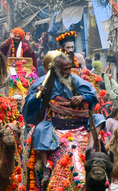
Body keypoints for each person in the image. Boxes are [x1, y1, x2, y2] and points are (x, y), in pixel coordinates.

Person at [23, 52, 105, 185]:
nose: (68, 71)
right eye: (65, 69)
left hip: (77, 119)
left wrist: (82, 97)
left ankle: (90, 149)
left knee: (99, 118)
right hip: (54, 122)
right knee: (39, 129)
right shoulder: (42, 81)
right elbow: (29, 105)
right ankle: (46, 167)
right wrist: (38, 95)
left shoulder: (74, 79)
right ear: (55, 69)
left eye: (69, 68)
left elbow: (92, 95)